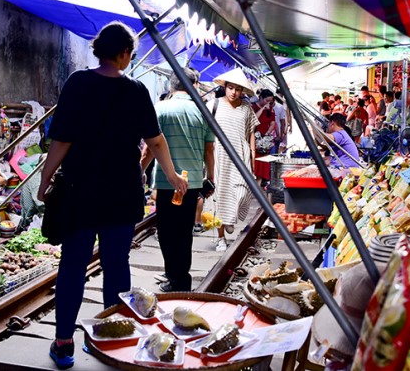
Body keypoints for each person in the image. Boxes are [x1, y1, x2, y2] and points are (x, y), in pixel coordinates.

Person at [37, 22, 187, 369]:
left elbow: (62, 139)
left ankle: (63, 344)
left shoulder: (77, 82)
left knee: (72, 266)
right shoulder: (136, 91)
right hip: (122, 191)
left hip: (80, 190)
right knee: (116, 265)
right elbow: (156, 140)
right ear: (124, 54)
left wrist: (45, 179)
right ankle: (111, 341)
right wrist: (171, 174)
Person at [141, 68, 214, 292]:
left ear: (171, 87)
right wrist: (210, 177)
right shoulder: (202, 111)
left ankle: (176, 277)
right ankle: (180, 277)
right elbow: (208, 150)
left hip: (166, 182)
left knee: (166, 231)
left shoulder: (160, 108)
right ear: (193, 85)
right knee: (184, 231)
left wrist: (140, 169)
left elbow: (152, 147)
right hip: (191, 182)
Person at [212, 68, 259, 253]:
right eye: (231, 88)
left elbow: (251, 133)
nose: (234, 92)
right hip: (219, 156)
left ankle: (230, 218)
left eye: (238, 89)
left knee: (242, 191)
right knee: (220, 196)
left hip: (241, 155)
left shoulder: (246, 108)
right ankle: (220, 237)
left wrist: (252, 155)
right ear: (225, 87)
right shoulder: (213, 105)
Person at [252, 89, 276, 184]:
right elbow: (253, 119)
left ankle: (258, 186)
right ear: (261, 98)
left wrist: (267, 133)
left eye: (270, 101)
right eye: (267, 101)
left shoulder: (270, 110)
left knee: (263, 165)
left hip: (264, 141)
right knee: (254, 164)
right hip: (254, 139)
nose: (268, 103)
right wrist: (262, 109)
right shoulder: (253, 107)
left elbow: (272, 123)